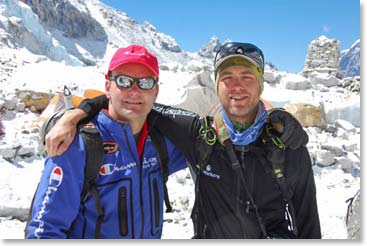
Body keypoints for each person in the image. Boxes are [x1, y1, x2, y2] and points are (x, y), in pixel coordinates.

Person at [44, 42, 321, 239]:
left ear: (260, 84)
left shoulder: (287, 144)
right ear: (216, 86)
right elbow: (133, 101)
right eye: (227, 77)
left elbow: (308, 223)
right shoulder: (199, 134)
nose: (236, 86)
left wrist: (278, 114)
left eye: (247, 77)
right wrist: (77, 113)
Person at [25, 45, 188, 239]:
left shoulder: (162, 141)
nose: (134, 91)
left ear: (156, 91)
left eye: (145, 83)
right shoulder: (77, 144)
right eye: (123, 81)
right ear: (108, 87)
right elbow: (44, 230)